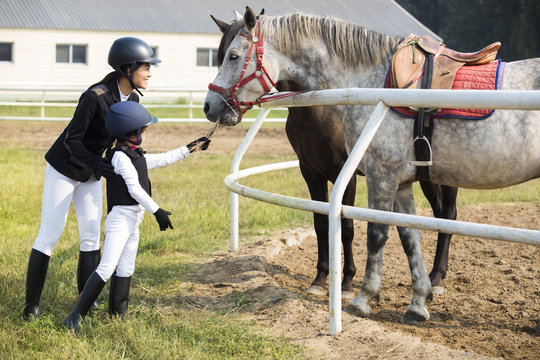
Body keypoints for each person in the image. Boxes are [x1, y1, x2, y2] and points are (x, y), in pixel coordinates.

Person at [23, 37, 161, 320]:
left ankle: (86, 302)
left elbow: (125, 141)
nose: (149, 73)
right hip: (64, 167)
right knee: (50, 235)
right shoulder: (94, 96)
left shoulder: (133, 99)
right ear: (127, 68)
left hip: (91, 173)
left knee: (90, 237)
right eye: (146, 67)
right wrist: (98, 161)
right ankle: (31, 306)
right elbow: (72, 139)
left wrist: (115, 162)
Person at [64, 101, 210, 332]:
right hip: (121, 219)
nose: (146, 133)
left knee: (126, 266)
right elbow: (134, 189)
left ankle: (117, 313)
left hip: (134, 219)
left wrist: (191, 147)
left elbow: (162, 159)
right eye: (144, 129)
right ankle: (75, 316)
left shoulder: (135, 154)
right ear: (131, 133)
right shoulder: (120, 158)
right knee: (107, 266)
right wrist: (157, 210)